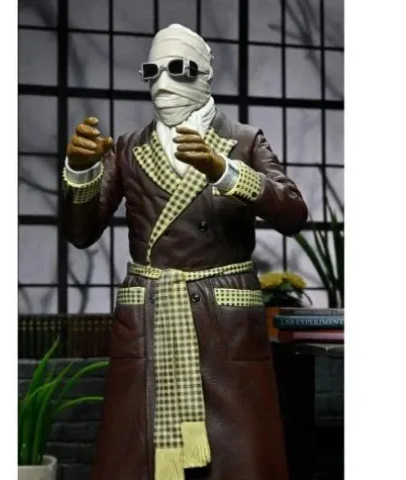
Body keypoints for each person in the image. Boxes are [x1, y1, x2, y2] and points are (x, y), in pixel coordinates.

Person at [62, 23, 308, 480]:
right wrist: (80, 171)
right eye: (152, 71)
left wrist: (225, 172)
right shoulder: (128, 149)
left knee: (239, 458)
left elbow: (293, 213)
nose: (163, 83)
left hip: (224, 322)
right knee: (139, 458)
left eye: (178, 68)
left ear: (204, 73)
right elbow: (82, 233)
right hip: (151, 318)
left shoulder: (243, 141)